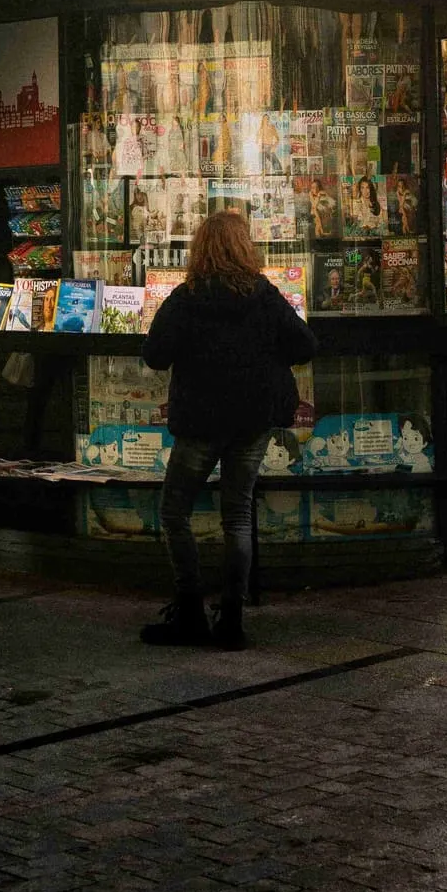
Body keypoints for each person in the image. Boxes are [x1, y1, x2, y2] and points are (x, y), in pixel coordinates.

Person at [139, 211, 316, 650]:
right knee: (237, 515)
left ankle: (190, 609)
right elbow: (305, 346)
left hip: (199, 422)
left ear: (201, 250)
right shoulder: (264, 296)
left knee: (174, 511)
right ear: (244, 248)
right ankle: (232, 618)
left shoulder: (187, 297)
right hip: (251, 422)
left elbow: (155, 355)